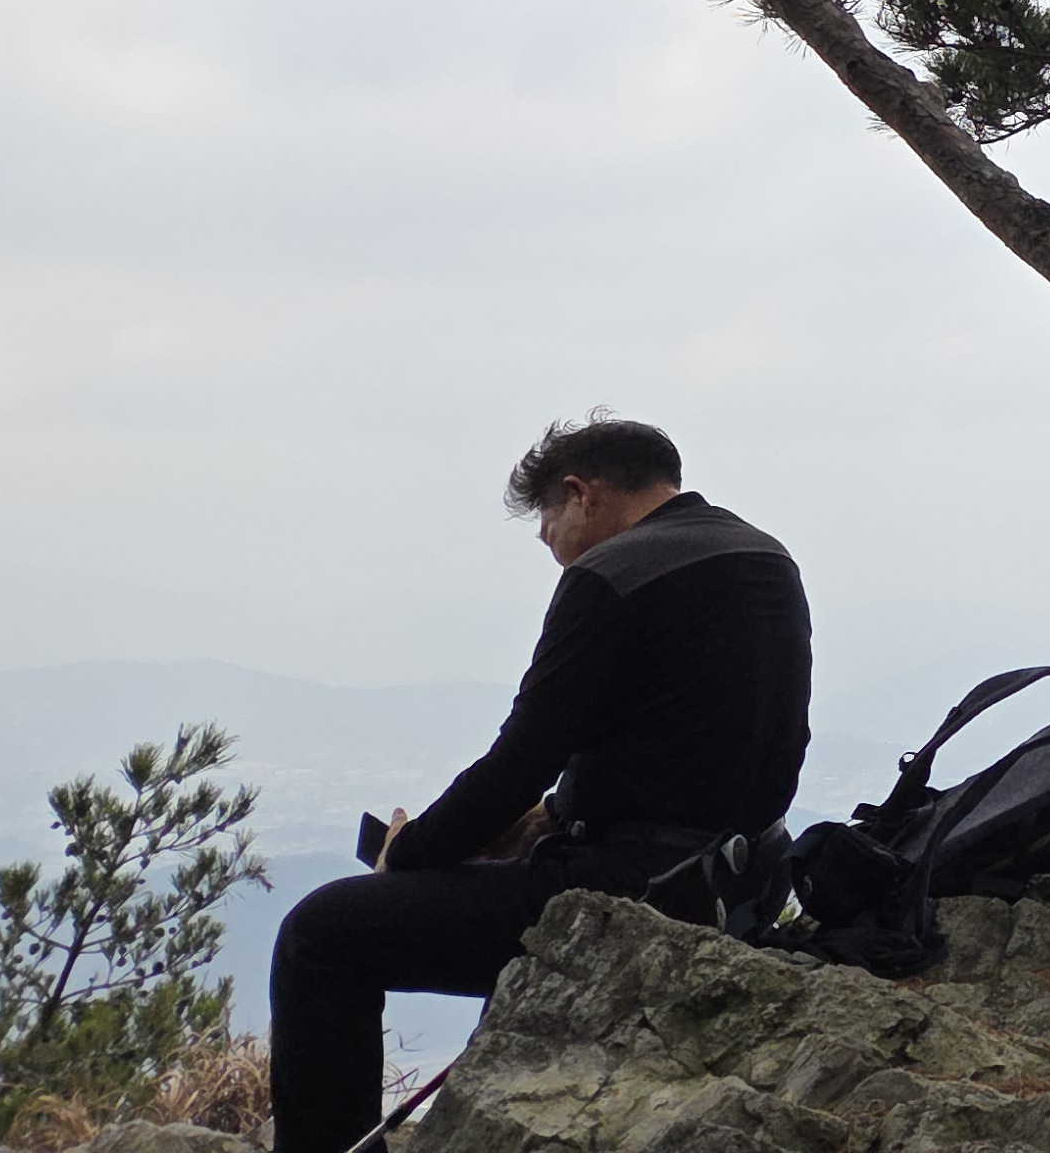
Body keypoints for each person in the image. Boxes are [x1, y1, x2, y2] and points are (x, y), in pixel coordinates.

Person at [268, 419, 811, 1153]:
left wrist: (410, 851)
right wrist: (555, 816)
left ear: (579, 494)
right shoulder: (764, 555)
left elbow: (520, 758)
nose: (552, 545)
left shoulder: (610, 575)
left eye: (547, 524)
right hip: (749, 883)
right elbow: (710, 740)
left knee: (321, 934)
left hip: (634, 895)